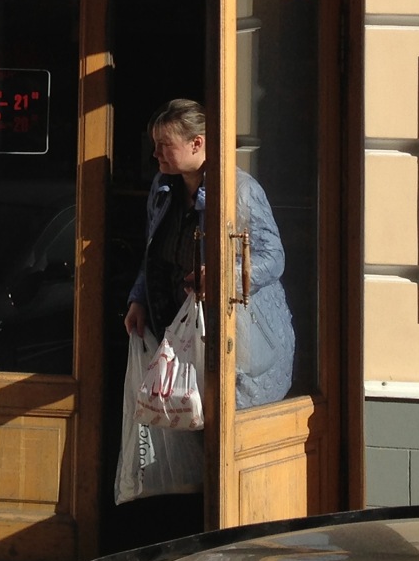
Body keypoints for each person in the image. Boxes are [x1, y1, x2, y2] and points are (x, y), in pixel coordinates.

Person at [124, 98, 295, 410]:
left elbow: (273, 257)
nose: (155, 153)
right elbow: (153, 252)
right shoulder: (163, 189)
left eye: (164, 145)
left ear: (197, 143)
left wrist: (223, 276)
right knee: (185, 414)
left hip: (233, 335)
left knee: (221, 414)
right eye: (155, 144)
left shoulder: (239, 191)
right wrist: (139, 299)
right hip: (180, 328)